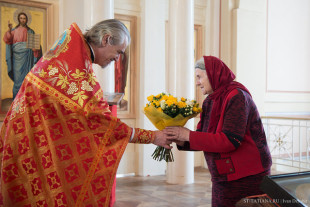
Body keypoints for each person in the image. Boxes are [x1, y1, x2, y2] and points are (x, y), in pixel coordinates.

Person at [0, 19, 171, 207]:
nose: (117, 59)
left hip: (22, 142)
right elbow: (103, 124)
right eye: (119, 52)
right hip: (29, 146)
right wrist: (152, 136)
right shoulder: (76, 71)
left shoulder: (69, 54)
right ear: (106, 39)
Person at [164, 56, 272, 207]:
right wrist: (178, 138)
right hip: (224, 176)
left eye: (199, 77)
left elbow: (230, 141)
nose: (197, 82)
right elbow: (204, 137)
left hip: (248, 176)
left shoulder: (237, 96)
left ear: (213, 74)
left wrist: (187, 135)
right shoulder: (210, 100)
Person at [3, 12, 42, 99]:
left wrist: (35, 50)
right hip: (17, 59)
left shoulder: (30, 31)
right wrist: (9, 30)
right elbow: (8, 40)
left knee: (26, 79)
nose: (22, 20)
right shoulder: (13, 30)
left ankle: (25, 101)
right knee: (17, 81)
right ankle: (16, 101)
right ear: (18, 19)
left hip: (28, 57)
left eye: (24, 18)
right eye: (21, 18)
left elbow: (35, 46)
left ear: (26, 20)